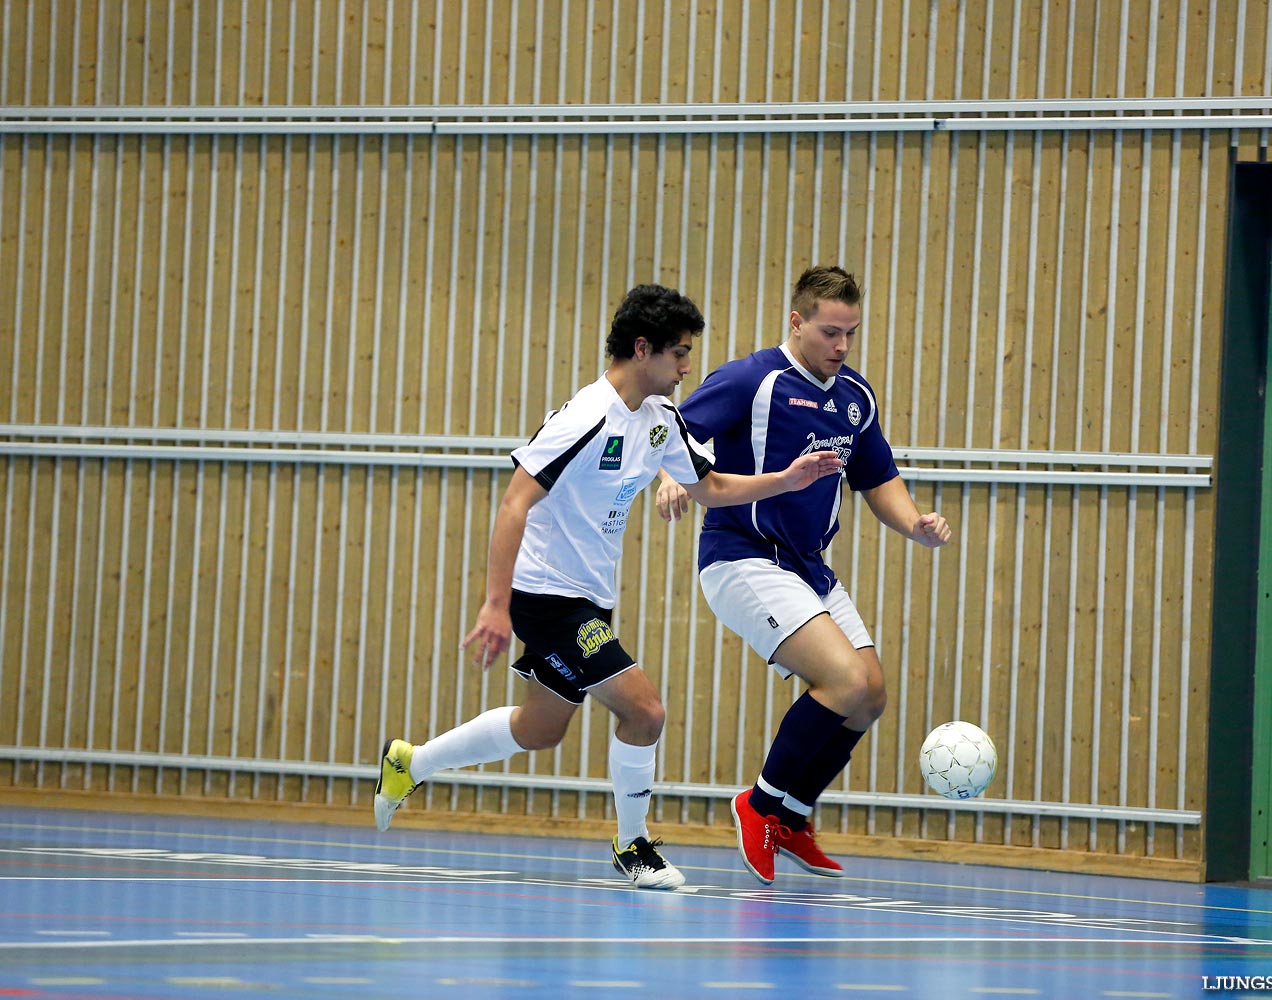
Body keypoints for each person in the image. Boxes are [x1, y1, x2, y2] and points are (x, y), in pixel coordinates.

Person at [372, 284, 843, 890]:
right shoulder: (585, 417)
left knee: (540, 729)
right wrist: (496, 605)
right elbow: (515, 503)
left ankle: (409, 763)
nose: (686, 366)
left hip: (590, 597)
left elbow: (710, 488)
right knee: (645, 711)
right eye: (677, 353)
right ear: (641, 349)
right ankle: (633, 843)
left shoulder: (660, 420)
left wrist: (785, 479)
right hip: (545, 595)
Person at [655, 265, 952, 884]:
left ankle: (790, 815)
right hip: (743, 557)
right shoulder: (749, 380)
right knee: (842, 678)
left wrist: (913, 523)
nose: (841, 346)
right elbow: (676, 438)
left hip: (810, 568)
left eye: (850, 333)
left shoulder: (855, 397)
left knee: (869, 694)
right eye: (829, 332)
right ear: (797, 322)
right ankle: (758, 806)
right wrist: (667, 479)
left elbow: (878, 480)